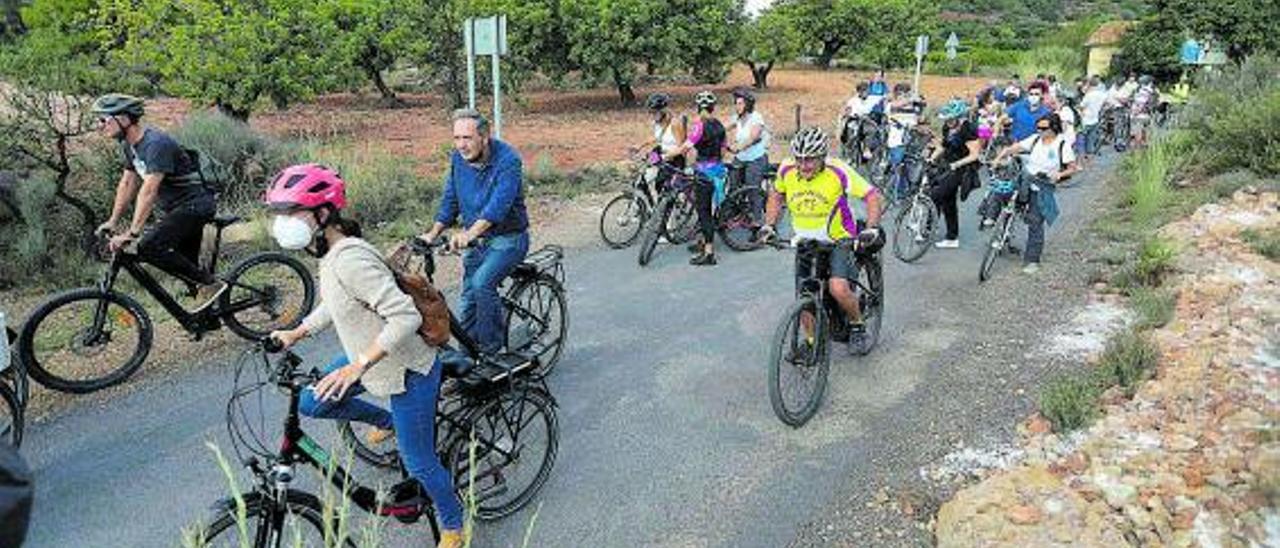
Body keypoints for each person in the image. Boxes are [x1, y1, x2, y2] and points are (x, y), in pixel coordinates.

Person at [265, 164, 464, 548]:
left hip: (407, 369)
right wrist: (296, 332)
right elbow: (335, 304)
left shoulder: (350, 258)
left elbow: (404, 315)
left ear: (323, 214)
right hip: (373, 361)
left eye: (291, 213)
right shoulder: (331, 253)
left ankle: (453, 523)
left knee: (420, 462)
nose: (283, 222)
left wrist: (358, 365)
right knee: (312, 401)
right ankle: (389, 421)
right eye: (280, 214)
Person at [93, 93, 225, 312]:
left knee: (149, 247)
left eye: (103, 120)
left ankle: (211, 285)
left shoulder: (156, 144)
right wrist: (112, 221)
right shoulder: (130, 145)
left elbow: (149, 190)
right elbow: (127, 184)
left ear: (124, 119)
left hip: (195, 206)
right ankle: (207, 317)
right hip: (176, 209)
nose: (100, 126)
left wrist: (133, 232)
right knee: (187, 271)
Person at [757, 127, 883, 352]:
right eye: (800, 159)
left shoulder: (838, 170)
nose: (804, 166)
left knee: (838, 288)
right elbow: (776, 195)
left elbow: (871, 195)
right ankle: (813, 342)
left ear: (822, 158)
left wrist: (872, 228)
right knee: (805, 295)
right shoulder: (787, 169)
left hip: (838, 240)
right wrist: (769, 225)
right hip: (805, 241)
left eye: (810, 160)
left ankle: (857, 326)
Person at [421, 109, 530, 352]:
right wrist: (433, 233)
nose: (461, 145)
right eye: (457, 138)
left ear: (484, 136)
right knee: (468, 298)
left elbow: (497, 207)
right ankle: (469, 357)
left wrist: (469, 234)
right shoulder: (458, 159)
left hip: (508, 239)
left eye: (467, 138)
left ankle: (492, 351)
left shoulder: (508, 160)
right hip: (478, 241)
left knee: (482, 284)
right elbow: (451, 199)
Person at [992, 113, 1079, 274]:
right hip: (1025, 180)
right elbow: (1013, 148)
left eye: (1044, 128)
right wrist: (998, 158)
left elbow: (1073, 167)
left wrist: (1059, 175)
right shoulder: (1034, 139)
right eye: (1038, 127)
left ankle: (1032, 259)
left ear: (1053, 128)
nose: (1040, 131)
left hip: (1042, 185)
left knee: (1035, 222)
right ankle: (998, 232)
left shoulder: (1062, 145)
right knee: (1001, 195)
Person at [679, 90, 728, 266]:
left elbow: (685, 148)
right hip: (717, 171)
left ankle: (709, 253)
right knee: (707, 209)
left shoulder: (699, 126)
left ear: (699, 107)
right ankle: (702, 241)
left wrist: (666, 156)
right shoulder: (720, 126)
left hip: (703, 173)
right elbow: (723, 151)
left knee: (704, 211)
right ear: (713, 108)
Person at [927, 99, 982, 249]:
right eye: (946, 119)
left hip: (963, 169)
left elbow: (975, 154)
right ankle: (951, 237)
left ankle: (928, 228)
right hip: (948, 166)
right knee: (948, 201)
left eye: (951, 119)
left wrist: (957, 164)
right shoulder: (947, 127)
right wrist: (931, 159)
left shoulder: (967, 129)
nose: (948, 122)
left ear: (958, 117)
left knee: (936, 194)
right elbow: (943, 147)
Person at [726, 87, 770, 222]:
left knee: (752, 189)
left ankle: (758, 222)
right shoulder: (737, 118)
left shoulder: (756, 117)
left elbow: (753, 137)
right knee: (733, 187)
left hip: (755, 158)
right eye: (736, 103)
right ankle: (734, 214)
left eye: (740, 103)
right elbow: (723, 127)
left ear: (748, 104)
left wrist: (738, 147)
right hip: (741, 158)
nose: (737, 106)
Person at [1079, 76, 1109, 160]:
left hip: (1085, 119)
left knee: (1082, 138)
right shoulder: (1102, 94)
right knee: (1091, 138)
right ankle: (1090, 157)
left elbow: (1081, 106)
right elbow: (1107, 103)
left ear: (1089, 84)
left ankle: (1082, 155)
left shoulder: (1089, 95)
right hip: (1096, 119)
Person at [1129, 75, 1159, 148]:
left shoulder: (1137, 90)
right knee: (1144, 133)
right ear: (1150, 82)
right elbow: (1155, 103)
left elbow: (1131, 101)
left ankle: (1136, 152)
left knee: (1136, 134)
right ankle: (1143, 150)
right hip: (1147, 115)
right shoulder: (1153, 92)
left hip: (1136, 115)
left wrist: (1135, 112)